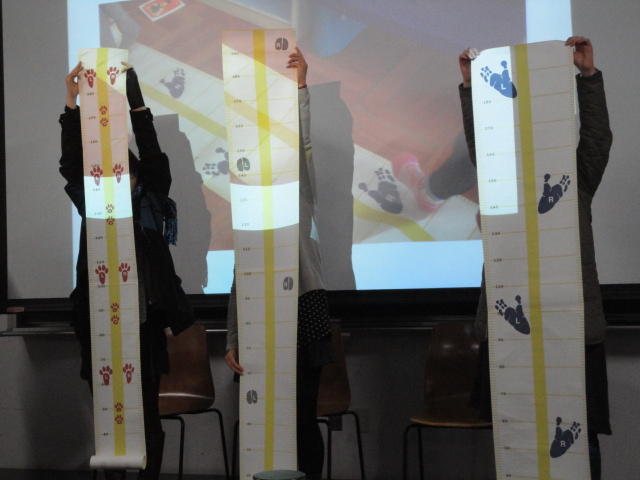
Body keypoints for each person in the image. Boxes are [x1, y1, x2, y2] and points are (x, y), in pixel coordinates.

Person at [458, 36, 612, 480]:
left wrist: (588, 77)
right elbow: (481, 146)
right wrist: (471, 89)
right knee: (514, 431)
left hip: (572, 323)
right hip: (512, 330)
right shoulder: (500, 181)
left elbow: (597, 139)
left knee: (582, 436)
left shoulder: (575, 178)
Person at [60, 62, 195, 480]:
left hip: (143, 324)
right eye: (109, 175)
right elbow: (71, 163)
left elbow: (151, 151)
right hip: (98, 323)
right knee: (108, 419)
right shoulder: (93, 203)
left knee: (147, 418)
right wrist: (72, 104)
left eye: (126, 174)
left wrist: (134, 99)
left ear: (137, 178)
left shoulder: (150, 200)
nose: (119, 181)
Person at [224, 48, 333, 480]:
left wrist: (300, 87)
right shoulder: (247, 208)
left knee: (302, 419)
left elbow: (301, 145)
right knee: (256, 420)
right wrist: (233, 336)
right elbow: (239, 277)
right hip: (257, 313)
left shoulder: (297, 194)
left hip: (304, 306)